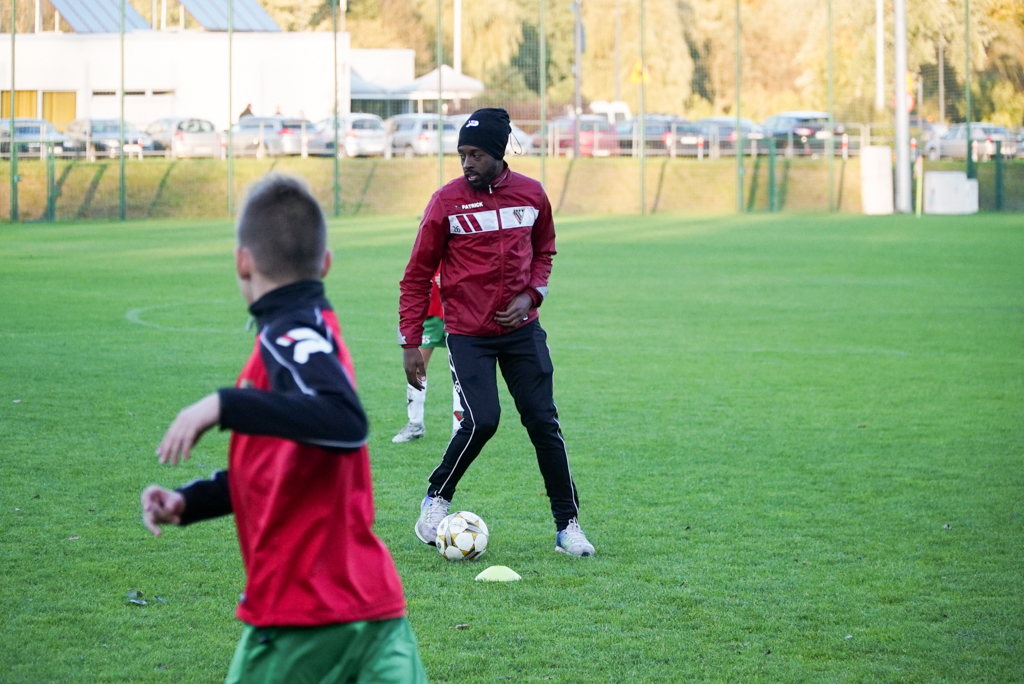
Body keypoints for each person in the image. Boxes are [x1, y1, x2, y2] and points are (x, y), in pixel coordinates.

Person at [140, 175, 427, 684]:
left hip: (300, 617)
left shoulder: (291, 335)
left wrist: (224, 403)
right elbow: (278, 467)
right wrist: (192, 501)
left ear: (242, 262)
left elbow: (345, 419)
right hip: (375, 618)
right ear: (326, 263)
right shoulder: (310, 331)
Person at [398, 108, 595, 557]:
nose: (467, 163)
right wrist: (411, 341)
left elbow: (544, 251)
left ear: (499, 152)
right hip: (468, 334)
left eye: (477, 155)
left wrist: (531, 296)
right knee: (482, 420)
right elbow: (416, 275)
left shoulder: (531, 195)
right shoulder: (446, 202)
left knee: (543, 422)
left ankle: (568, 526)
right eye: (462, 154)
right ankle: (436, 498)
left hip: (523, 332)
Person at [393, 268, 464, 443]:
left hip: (460, 311)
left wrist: (453, 279)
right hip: (430, 311)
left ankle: (460, 429)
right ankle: (415, 424)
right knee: (417, 367)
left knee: (461, 372)